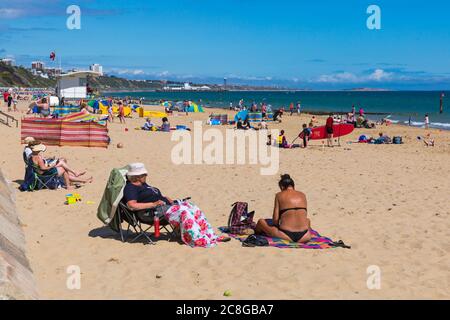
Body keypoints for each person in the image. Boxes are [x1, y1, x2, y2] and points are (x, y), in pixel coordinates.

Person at [123, 163, 228, 247]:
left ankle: (210, 235)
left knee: (193, 207)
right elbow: (132, 205)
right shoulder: (131, 188)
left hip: (164, 207)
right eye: (144, 174)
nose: (146, 176)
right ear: (138, 177)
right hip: (151, 213)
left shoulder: (143, 184)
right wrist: (153, 204)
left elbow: (152, 195)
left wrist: (166, 198)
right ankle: (198, 239)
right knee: (184, 211)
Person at [255, 174, 312, 243]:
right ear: (293, 186)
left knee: (261, 222)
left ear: (282, 187)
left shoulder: (279, 195)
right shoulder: (303, 195)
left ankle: (255, 233)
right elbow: (304, 216)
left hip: (286, 235)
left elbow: (275, 220)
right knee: (308, 220)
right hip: (305, 236)